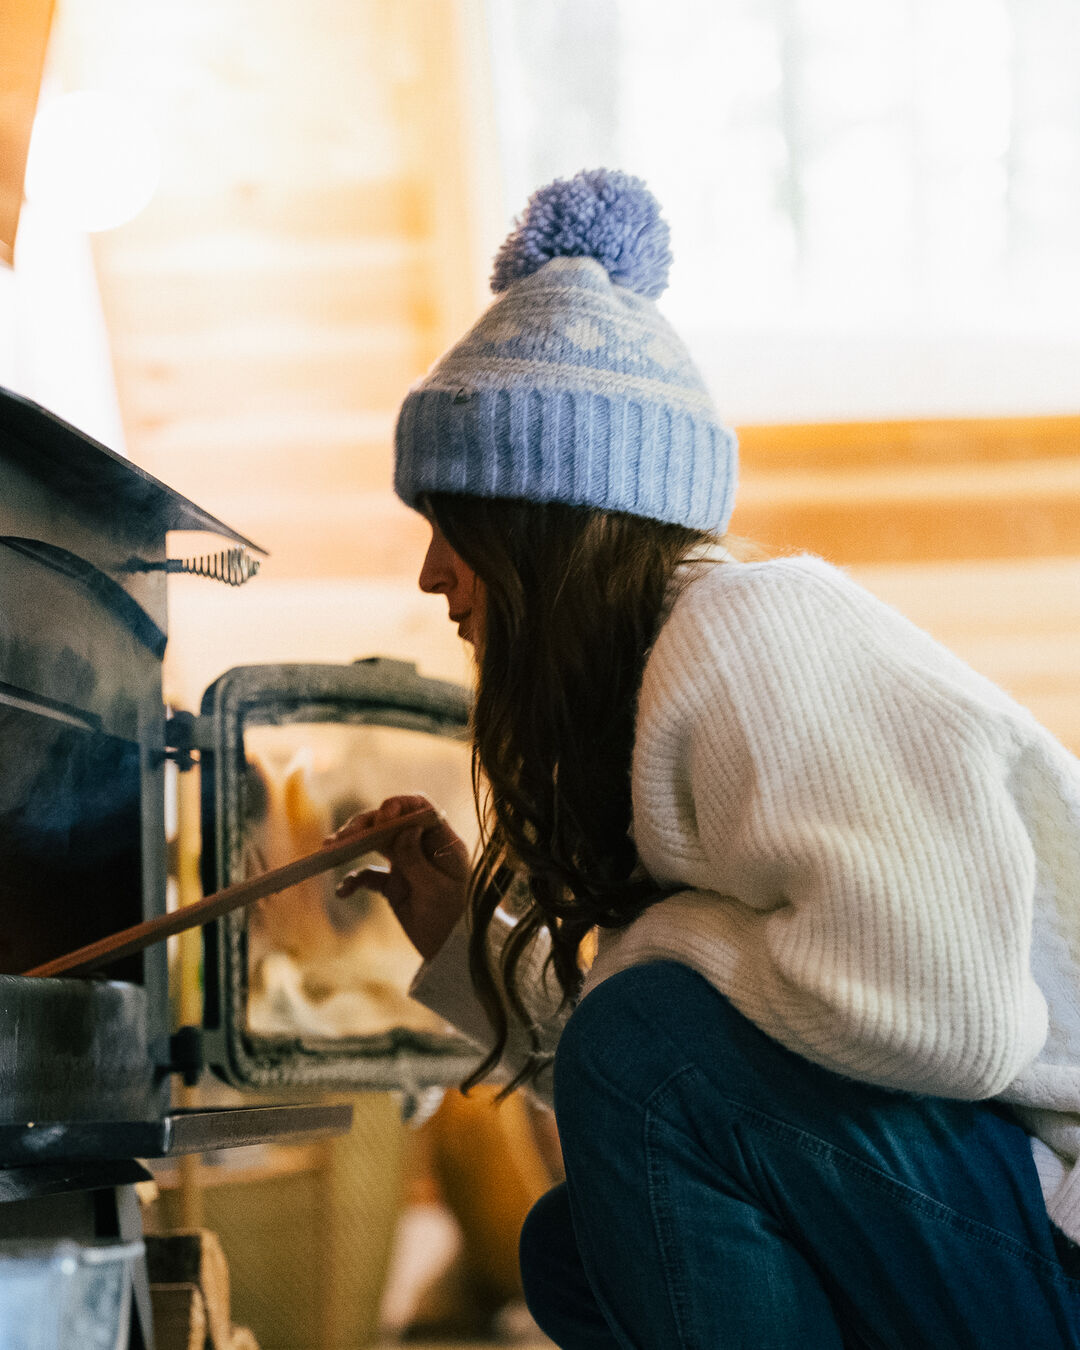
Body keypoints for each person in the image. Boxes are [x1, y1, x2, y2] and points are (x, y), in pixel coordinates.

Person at [329, 168, 1080, 1347]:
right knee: (573, 1247)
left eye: (453, 527)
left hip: (1057, 1230)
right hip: (995, 1217)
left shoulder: (748, 632)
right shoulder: (664, 680)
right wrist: (474, 945)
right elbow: (710, 1082)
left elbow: (948, 1021)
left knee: (643, 1042)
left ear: (540, 526)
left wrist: (657, 950)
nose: (432, 577)